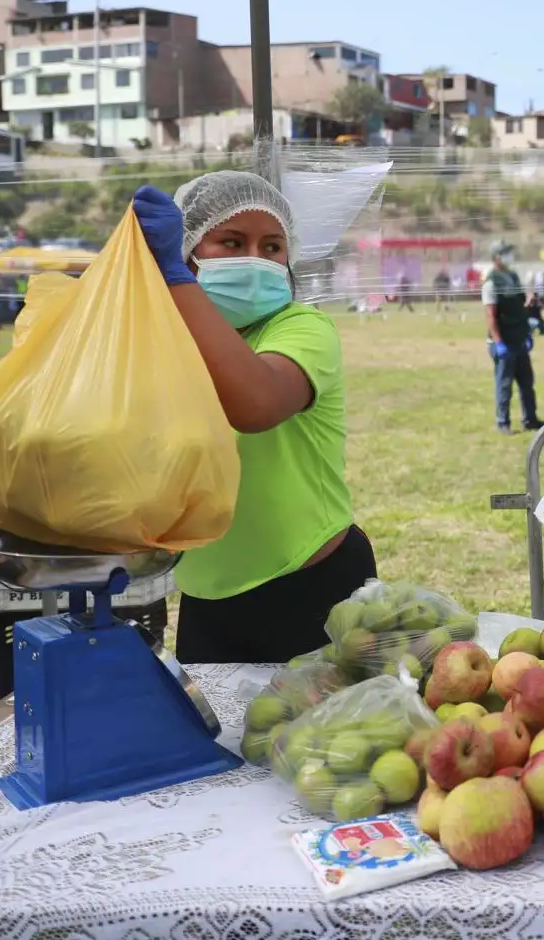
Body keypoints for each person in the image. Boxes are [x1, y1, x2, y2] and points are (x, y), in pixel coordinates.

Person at [131, 175, 377, 664]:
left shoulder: (302, 328)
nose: (255, 259)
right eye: (231, 242)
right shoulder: (164, 340)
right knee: (223, 739)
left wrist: (179, 283)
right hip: (206, 591)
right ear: (186, 250)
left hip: (311, 582)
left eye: (272, 246)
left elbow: (256, 404)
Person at [479, 241, 542, 435]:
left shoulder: (513, 277)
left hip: (519, 338)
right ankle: (503, 422)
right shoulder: (491, 282)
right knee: (504, 384)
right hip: (504, 342)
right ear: (497, 257)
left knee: (526, 383)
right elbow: (491, 315)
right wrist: (499, 343)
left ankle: (530, 419)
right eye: (506, 253)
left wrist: (527, 329)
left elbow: (518, 309)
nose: (509, 256)